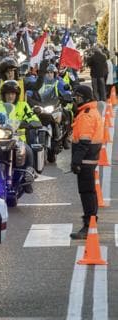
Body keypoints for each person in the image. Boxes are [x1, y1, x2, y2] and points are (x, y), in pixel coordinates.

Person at [0, 80, 39, 193]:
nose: (10, 96)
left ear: (16, 95)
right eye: (8, 93)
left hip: (17, 138)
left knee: (28, 150)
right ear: (3, 95)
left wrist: (30, 123)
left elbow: (33, 118)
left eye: (13, 93)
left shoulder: (23, 105)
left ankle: (28, 176)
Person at [69, 85, 103, 239]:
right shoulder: (90, 111)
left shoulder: (86, 115)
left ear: (84, 98)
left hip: (86, 159)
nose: (75, 100)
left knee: (86, 192)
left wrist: (76, 161)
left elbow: (83, 141)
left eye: (77, 97)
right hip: (90, 158)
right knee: (90, 192)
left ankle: (89, 225)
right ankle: (91, 222)